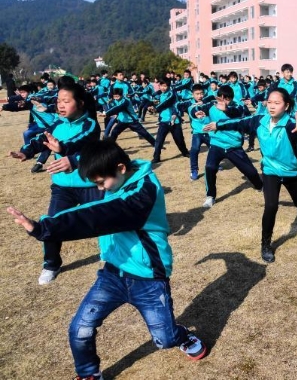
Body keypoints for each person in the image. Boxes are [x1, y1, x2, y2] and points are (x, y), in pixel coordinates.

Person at [6, 140, 206, 379]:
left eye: (101, 183)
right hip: (112, 273)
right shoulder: (115, 178)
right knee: (80, 328)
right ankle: (89, 373)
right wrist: (68, 161)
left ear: (121, 168)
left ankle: (180, 335)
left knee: (164, 340)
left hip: (148, 278)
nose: (99, 189)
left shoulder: (143, 193)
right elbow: (82, 182)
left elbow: (99, 215)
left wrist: (45, 228)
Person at [205, 89, 297, 263]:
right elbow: (239, 122)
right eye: (270, 102)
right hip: (270, 171)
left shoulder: (290, 123)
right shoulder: (259, 120)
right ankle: (265, 244)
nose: (272, 106)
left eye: (277, 103)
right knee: (271, 206)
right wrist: (218, 125)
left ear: (286, 105)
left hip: (291, 171)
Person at [8, 82, 103, 284]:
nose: (60, 105)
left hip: (89, 185)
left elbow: (80, 143)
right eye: (59, 101)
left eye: (66, 101)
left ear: (80, 103)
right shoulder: (57, 124)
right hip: (62, 187)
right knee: (52, 222)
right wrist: (25, 151)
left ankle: (111, 254)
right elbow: (42, 139)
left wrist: (62, 149)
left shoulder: (91, 125)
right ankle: (51, 264)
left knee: (104, 221)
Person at [196, 85, 263, 208]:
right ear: (219, 97)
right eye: (223, 98)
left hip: (234, 146)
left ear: (231, 98)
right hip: (217, 144)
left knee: (250, 171)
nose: (225, 101)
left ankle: (260, 186)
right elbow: (198, 108)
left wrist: (226, 109)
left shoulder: (237, 106)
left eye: (227, 99)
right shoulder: (211, 105)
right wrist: (198, 113)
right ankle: (210, 196)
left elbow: (239, 115)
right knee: (210, 167)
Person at [152, 79, 190, 163]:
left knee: (179, 140)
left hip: (174, 121)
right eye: (161, 86)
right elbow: (154, 98)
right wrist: (152, 104)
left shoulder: (172, 94)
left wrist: (156, 109)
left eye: (165, 86)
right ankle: (156, 157)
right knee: (159, 140)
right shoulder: (160, 94)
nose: (163, 88)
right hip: (164, 121)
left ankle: (185, 152)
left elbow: (165, 103)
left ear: (168, 86)